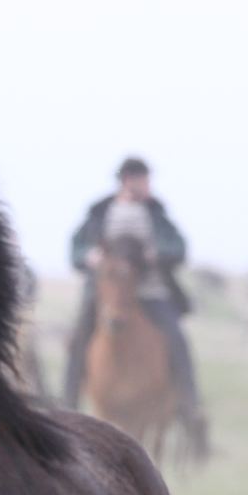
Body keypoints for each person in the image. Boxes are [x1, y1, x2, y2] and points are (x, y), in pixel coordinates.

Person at [63, 157, 205, 451]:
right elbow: (77, 247)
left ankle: (189, 404)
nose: (148, 185)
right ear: (128, 180)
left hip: (149, 291)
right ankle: (68, 403)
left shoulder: (155, 213)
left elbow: (177, 246)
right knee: (79, 338)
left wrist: (157, 254)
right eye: (143, 180)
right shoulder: (102, 212)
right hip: (106, 293)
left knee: (176, 337)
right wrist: (90, 256)